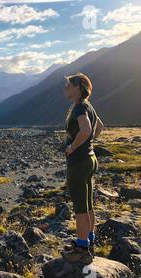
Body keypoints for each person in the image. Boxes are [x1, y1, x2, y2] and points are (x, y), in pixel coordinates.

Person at [61, 72, 104, 264]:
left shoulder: (79, 108)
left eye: (68, 85)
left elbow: (86, 130)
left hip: (79, 162)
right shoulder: (88, 106)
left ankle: (81, 249)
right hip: (90, 159)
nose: (65, 89)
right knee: (88, 204)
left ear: (77, 87)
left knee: (79, 206)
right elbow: (99, 126)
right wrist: (90, 145)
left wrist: (73, 147)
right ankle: (89, 239)